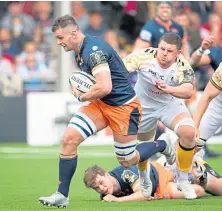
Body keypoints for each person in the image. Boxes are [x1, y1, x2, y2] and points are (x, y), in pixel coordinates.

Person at [39, 14, 175, 208]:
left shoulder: (94, 52)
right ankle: (62, 195)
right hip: (102, 104)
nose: (58, 42)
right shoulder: (79, 49)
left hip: (123, 107)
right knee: (69, 139)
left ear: (74, 33)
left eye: (61, 38)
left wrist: (81, 96)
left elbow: (105, 87)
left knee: (128, 161)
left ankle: (163, 144)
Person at [123, 32, 197, 199]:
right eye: (162, 48)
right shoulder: (143, 57)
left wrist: (169, 89)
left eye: (169, 51)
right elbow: (120, 70)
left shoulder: (182, 65)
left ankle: (183, 179)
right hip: (143, 106)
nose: (163, 53)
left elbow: (188, 90)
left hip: (169, 104)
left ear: (178, 53)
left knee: (189, 133)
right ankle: (144, 176)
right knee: (143, 147)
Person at [83, 162, 205, 202]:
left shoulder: (125, 173)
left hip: (158, 182)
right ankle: (181, 170)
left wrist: (117, 200)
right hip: (151, 172)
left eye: (101, 182)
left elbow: (144, 194)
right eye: (96, 188)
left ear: (107, 175)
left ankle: (194, 170)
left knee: (199, 190)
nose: (101, 189)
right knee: (198, 190)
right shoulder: (105, 194)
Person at [190, 36, 222, 158]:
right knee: (192, 144)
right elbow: (207, 96)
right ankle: (165, 169)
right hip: (218, 105)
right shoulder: (219, 60)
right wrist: (195, 126)